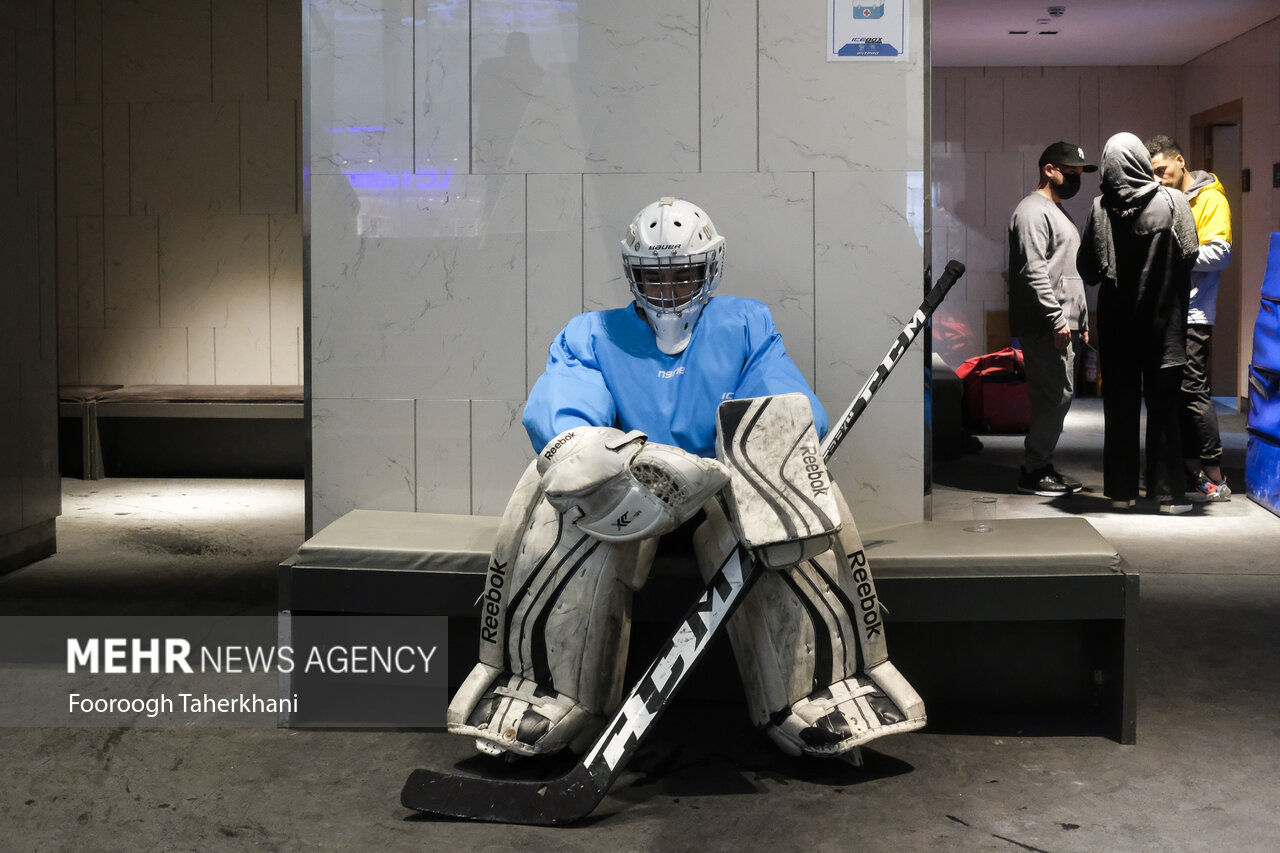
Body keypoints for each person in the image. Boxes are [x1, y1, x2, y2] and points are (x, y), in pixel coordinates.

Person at [446, 197, 924, 763]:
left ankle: (815, 688)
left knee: (789, 482)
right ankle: (548, 687)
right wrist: (604, 461)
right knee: (556, 489)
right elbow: (564, 416)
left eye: (684, 275)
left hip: (725, 496)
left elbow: (786, 410)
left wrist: (766, 450)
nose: (669, 290)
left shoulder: (746, 323)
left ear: (709, 269)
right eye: (655, 276)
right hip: (629, 499)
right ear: (633, 273)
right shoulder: (591, 334)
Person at [1077, 133, 1199, 513]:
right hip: (1165, 328)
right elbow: (1190, 254)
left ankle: (1121, 492)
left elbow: (1089, 270)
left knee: (1120, 413)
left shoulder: (1100, 208)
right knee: (1164, 412)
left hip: (1117, 332)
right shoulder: (1174, 201)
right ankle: (1167, 496)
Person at [1146, 135, 1234, 501]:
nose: (1158, 179)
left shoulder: (1210, 198)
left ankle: (1215, 476)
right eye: (1151, 173)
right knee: (1177, 395)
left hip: (1194, 313)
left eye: (1162, 170)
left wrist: (1174, 257)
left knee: (1193, 392)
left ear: (1180, 161)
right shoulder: (1167, 198)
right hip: (1170, 312)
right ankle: (1190, 470)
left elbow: (1221, 253)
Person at [1008, 141, 1097, 497]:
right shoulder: (1032, 211)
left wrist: (1082, 320)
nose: (1077, 177)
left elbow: (1067, 271)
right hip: (1049, 325)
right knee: (1054, 396)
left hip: (1062, 322)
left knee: (1057, 396)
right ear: (1049, 169)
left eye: (1080, 172)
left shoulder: (1057, 211)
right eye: (1071, 171)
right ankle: (1034, 469)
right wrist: (1057, 319)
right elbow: (1034, 271)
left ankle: (1040, 464)